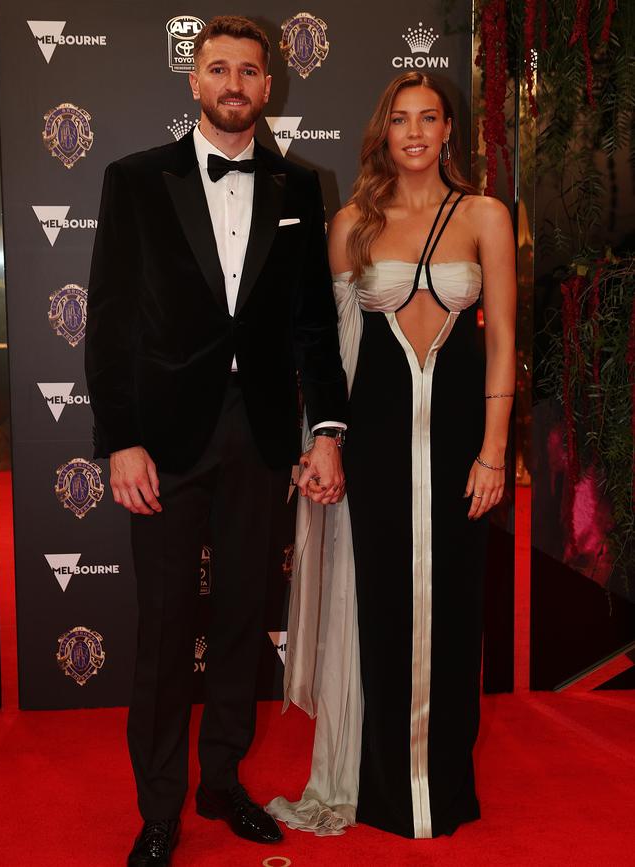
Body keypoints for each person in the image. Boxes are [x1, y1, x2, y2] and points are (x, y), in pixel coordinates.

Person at [85, 16, 347, 867]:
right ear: (193, 82)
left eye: (249, 71)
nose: (234, 83)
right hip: (162, 441)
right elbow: (112, 320)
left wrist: (327, 433)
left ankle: (221, 781)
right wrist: (120, 439)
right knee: (163, 630)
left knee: (241, 620)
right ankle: (159, 807)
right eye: (218, 69)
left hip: (263, 438)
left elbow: (314, 329)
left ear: (269, 86)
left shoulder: (302, 187)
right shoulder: (134, 181)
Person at [269, 71, 516, 839]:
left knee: (454, 607)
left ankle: (443, 783)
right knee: (375, 606)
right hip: (372, 445)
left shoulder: (484, 215)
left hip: (458, 446)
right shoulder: (351, 223)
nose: (414, 131)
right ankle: (377, 783)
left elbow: (505, 338)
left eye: (429, 118)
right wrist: (324, 442)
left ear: (449, 130)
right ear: (384, 132)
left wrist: (494, 450)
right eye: (400, 119)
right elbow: (329, 350)